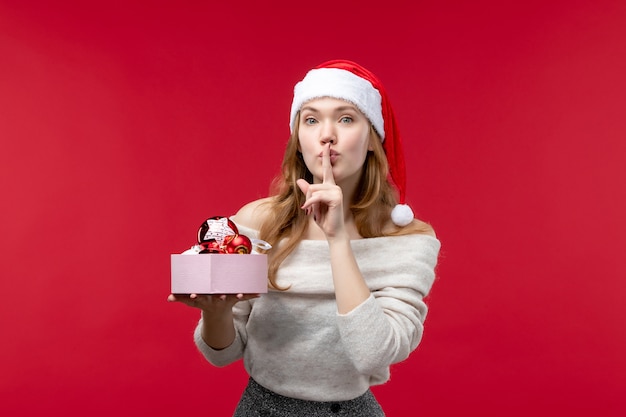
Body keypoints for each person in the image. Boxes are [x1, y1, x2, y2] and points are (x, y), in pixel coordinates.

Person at [168, 59, 440, 416]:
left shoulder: (406, 240)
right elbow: (223, 354)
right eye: (311, 120)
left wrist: (337, 238)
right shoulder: (256, 222)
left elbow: (376, 352)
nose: (327, 134)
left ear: (373, 139)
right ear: (298, 140)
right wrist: (216, 313)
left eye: (346, 118)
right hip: (261, 408)